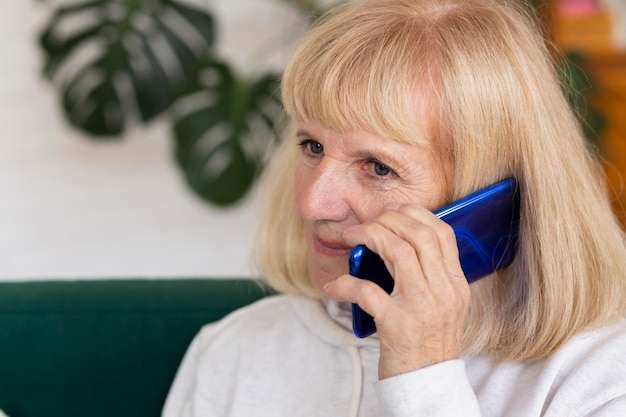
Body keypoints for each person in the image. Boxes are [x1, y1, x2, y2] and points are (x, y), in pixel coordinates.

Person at [162, 0, 626, 415]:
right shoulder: (233, 351)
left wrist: (424, 377)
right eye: (312, 145)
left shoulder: (600, 380)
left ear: (489, 202)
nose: (311, 203)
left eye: (379, 168)